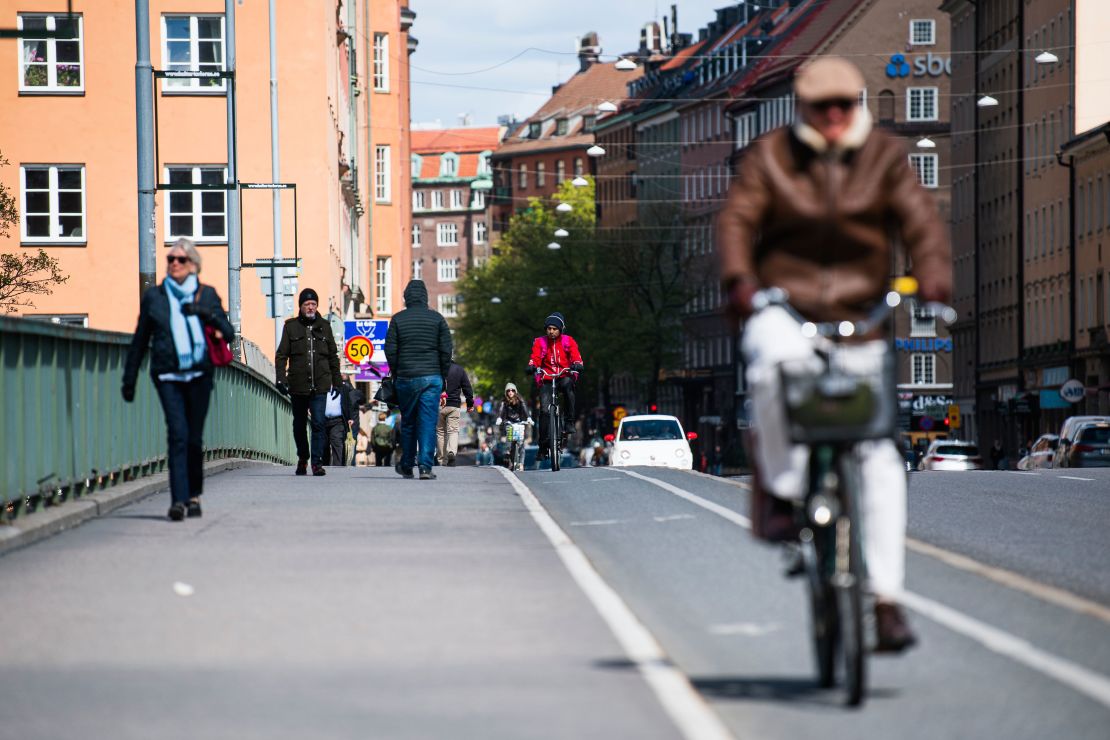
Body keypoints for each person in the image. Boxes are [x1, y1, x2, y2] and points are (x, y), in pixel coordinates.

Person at [717, 57, 952, 653]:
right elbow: (740, 220)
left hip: (863, 312)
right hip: (785, 304)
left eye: (844, 105)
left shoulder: (884, 156)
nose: (834, 118)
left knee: (877, 455)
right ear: (804, 109)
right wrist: (740, 280)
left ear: (858, 103)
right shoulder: (772, 156)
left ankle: (887, 601)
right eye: (822, 108)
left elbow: (920, 220)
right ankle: (785, 489)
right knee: (769, 370)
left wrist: (932, 274)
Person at [122, 238, 234, 521]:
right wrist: (129, 377)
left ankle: (194, 494)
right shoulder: (155, 298)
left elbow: (228, 333)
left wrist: (205, 314)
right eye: (171, 259)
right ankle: (178, 500)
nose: (174, 264)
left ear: (193, 265)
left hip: (199, 375)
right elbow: (140, 339)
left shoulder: (206, 295)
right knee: (177, 435)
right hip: (167, 375)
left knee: (194, 438)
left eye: (181, 260)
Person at [384, 280, 452, 480]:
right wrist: (442, 373)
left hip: (406, 378)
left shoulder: (397, 320)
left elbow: (390, 350)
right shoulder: (437, 319)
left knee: (408, 422)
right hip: (432, 378)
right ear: (425, 297)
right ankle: (425, 467)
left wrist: (397, 372)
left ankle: (407, 464)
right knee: (428, 422)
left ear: (406, 298)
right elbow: (446, 351)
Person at [275, 288, 343, 476]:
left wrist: (337, 382)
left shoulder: (325, 326)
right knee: (299, 424)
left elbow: (332, 357)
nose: (311, 307)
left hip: (320, 385)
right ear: (301, 306)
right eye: (307, 304)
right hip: (298, 385)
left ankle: (317, 463)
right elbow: (281, 356)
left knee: (319, 423)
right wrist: (280, 378)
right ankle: (303, 458)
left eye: (313, 304)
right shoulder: (291, 327)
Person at [526, 312, 584, 459]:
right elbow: (535, 357)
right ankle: (543, 446)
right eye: (549, 328)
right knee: (544, 411)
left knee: (568, 388)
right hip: (547, 377)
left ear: (560, 329)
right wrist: (532, 366)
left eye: (554, 329)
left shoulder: (568, 341)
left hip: (564, 375)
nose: (551, 331)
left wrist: (577, 364)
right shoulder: (540, 342)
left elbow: (575, 355)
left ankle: (569, 422)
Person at [437, 360, 475, 466]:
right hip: (454, 405)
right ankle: (451, 452)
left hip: (439, 405)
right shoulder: (459, 369)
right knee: (453, 430)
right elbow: (467, 387)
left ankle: (442, 459)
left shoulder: (437, 368)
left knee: (440, 432)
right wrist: (470, 403)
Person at [495, 382, 532, 470]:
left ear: (515, 391)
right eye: (508, 390)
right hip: (509, 422)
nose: (510, 392)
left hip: (520, 422)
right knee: (510, 441)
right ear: (506, 392)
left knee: (521, 443)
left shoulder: (520, 400)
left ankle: (521, 463)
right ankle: (510, 461)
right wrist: (500, 418)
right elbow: (501, 410)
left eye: (512, 390)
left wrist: (528, 418)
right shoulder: (504, 401)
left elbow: (525, 409)